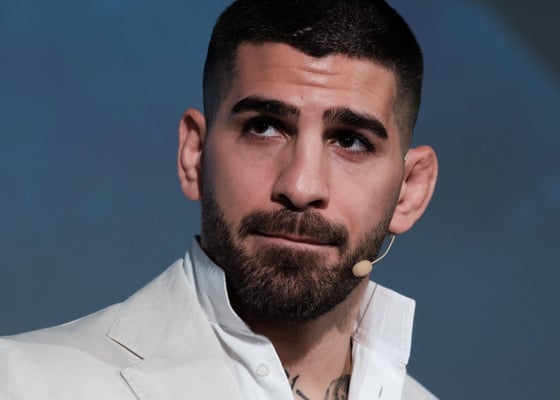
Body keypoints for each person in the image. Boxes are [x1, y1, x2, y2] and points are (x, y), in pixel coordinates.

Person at [0, 0, 439, 399]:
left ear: (409, 190)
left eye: (350, 141)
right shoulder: (21, 382)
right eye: (264, 127)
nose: (301, 186)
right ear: (194, 155)